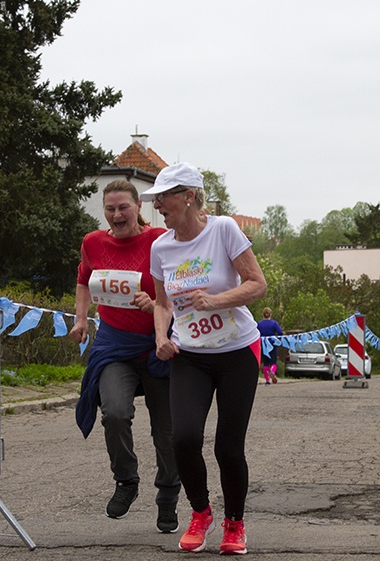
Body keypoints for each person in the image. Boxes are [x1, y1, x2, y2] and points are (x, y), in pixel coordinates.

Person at [144, 162, 268, 555]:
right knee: (183, 438)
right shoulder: (160, 247)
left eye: (164, 197)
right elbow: (163, 303)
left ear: (188, 196)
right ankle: (201, 513)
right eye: (156, 199)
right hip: (189, 355)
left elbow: (257, 284)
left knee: (228, 447)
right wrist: (161, 335)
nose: (159, 205)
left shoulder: (224, 230)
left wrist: (216, 299)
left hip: (237, 351)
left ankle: (235, 525)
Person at [71, 179, 181, 534]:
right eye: (110, 208)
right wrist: (80, 318)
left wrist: (155, 306)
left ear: (139, 208)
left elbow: (178, 289)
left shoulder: (159, 241)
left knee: (167, 431)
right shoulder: (93, 242)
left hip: (157, 343)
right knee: (115, 413)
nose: (117, 215)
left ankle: (168, 493)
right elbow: (83, 279)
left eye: (123, 207)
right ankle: (126, 480)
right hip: (113, 344)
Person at [256, 308, 283, 385]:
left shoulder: (259, 324)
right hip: (272, 344)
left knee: (265, 363)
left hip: (263, 345)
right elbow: (280, 332)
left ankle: (267, 381)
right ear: (270, 314)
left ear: (263, 314)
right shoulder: (274, 323)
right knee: (273, 362)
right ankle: (272, 371)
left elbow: (256, 333)